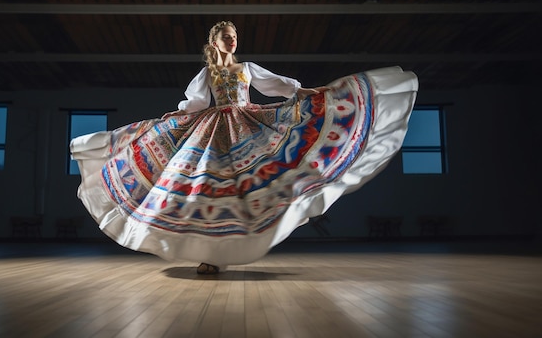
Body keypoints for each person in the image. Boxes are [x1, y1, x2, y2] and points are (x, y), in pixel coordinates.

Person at [70, 21, 418, 274]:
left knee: (244, 188)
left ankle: (231, 247)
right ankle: (210, 255)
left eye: (235, 37)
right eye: (227, 37)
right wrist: (177, 114)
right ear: (215, 42)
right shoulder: (207, 71)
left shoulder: (247, 68)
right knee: (208, 191)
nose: (232, 41)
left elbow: (276, 86)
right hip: (212, 129)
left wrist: (305, 93)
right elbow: (195, 102)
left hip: (247, 126)